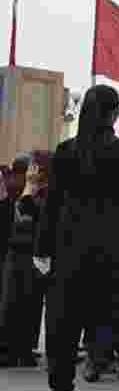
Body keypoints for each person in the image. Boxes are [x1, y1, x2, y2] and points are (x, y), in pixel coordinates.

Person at [33, 84, 119, 391]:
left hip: (71, 245)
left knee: (64, 320)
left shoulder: (66, 151)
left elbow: (52, 203)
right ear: (114, 113)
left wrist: (43, 247)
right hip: (115, 243)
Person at [0, 151, 50, 368]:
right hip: (15, 253)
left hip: (31, 254)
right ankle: (8, 349)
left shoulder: (39, 195)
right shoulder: (12, 194)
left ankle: (24, 349)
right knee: (12, 303)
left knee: (31, 303)